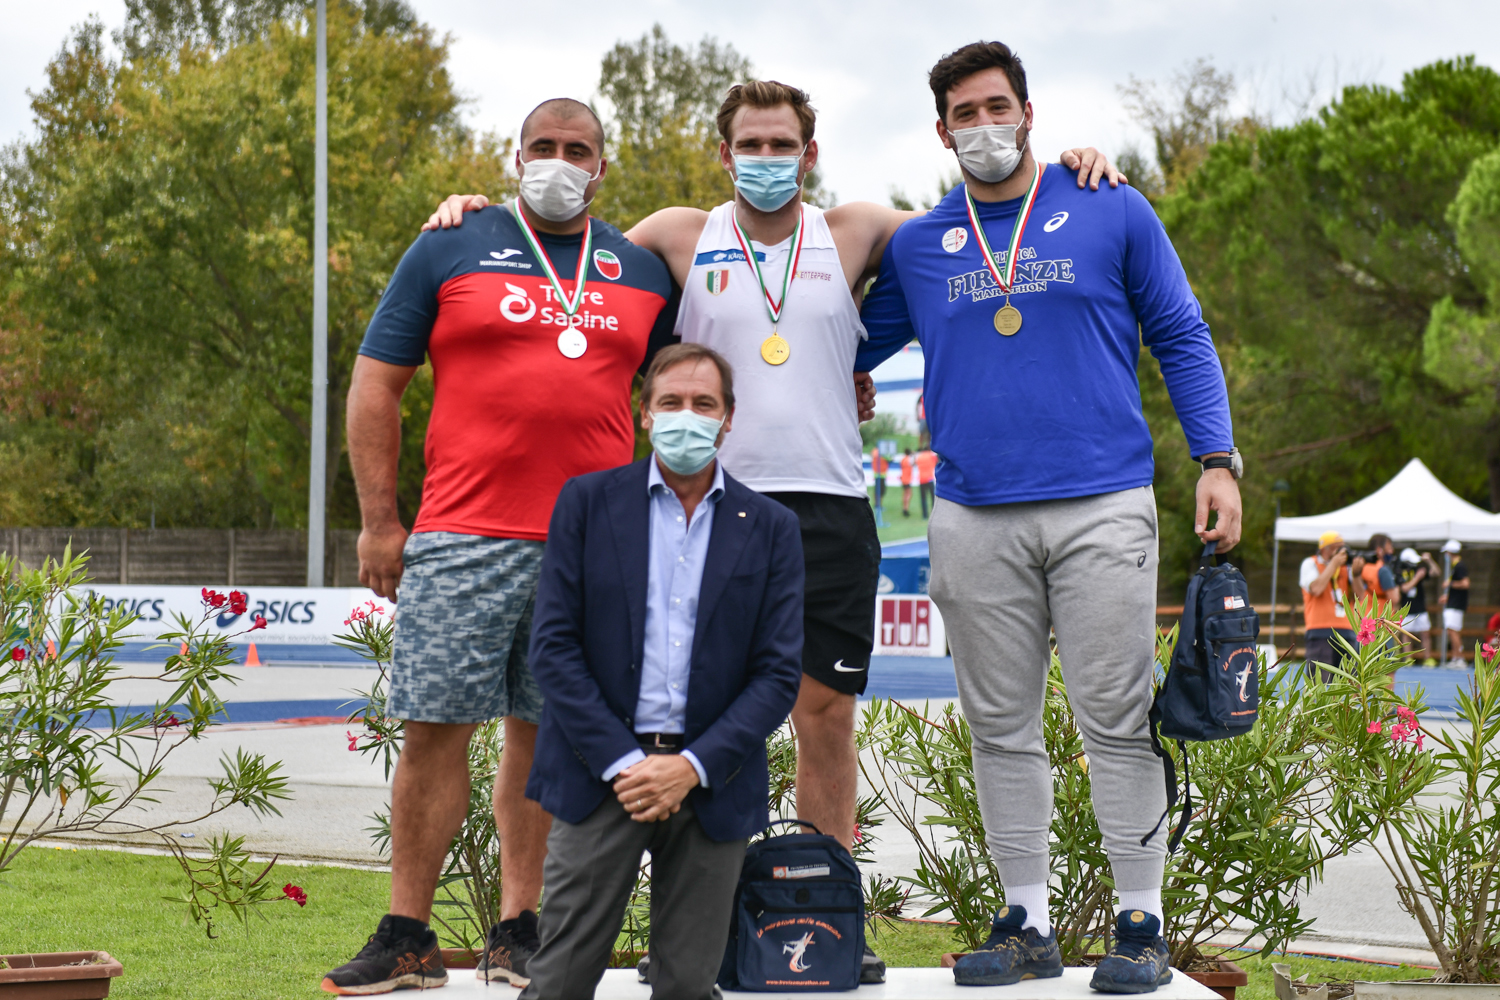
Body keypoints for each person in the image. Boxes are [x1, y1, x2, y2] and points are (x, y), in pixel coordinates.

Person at [422, 82, 1124, 982]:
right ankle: (700, 931)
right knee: (701, 715)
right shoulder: (679, 233)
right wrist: (475, 212)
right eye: (749, 144)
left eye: (781, 143)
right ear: (724, 155)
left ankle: (830, 924)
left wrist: (1067, 172)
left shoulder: (857, 230)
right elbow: (566, 254)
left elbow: (987, 216)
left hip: (829, 506)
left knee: (825, 720)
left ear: (809, 151)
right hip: (717, 507)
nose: (766, 158)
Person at [854, 41, 1241, 994]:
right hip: (974, 513)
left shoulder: (1110, 203)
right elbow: (835, 340)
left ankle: (1141, 926)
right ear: (941, 130)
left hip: (1103, 504)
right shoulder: (921, 244)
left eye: (999, 107)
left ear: (1028, 113)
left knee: (1118, 719)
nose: (984, 126)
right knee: (999, 726)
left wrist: (1217, 459)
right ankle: (1025, 923)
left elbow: (1181, 331)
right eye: (965, 114)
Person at [323, 99, 678, 995]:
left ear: (603, 166)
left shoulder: (641, 271)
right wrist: (379, 521)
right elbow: (374, 385)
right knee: (433, 731)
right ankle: (407, 935)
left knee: (548, 737)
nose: (560, 161)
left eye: (578, 150)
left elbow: (688, 389)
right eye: (543, 147)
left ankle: (520, 930)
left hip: (594, 546)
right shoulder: (451, 243)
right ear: (516, 158)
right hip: (461, 534)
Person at [520, 343, 804, 1000]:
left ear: (728, 418)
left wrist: (691, 767)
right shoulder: (587, 504)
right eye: (671, 402)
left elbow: (776, 676)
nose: (687, 416)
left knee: (687, 987)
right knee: (558, 983)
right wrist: (626, 764)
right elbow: (553, 649)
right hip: (601, 777)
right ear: (644, 413)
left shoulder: (771, 527)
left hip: (712, 785)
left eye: (704, 404)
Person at [1300, 532, 1360, 680]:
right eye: (1337, 547)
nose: (1342, 551)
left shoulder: (1346, 568)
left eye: (1343, 547)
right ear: (1324, 549)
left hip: (1346, 630)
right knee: (1317, 680)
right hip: (1320, 630)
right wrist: (1333, 564)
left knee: (1348, 682)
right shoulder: (1311, 563)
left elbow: (1360, 597)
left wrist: (1357, 574)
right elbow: (1316, 589)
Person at [1396, 547, 1441, 665]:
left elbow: (1436, 572)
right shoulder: (1399, 572)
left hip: (1421, 608)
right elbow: (1404, 588)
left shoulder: (1417, 569)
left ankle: (1428, 658)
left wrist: (1429, 561)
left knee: (1425, 633)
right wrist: (1417, 578)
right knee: (1406, 635)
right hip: (1407, 609)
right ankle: (1408, 658)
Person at [1438, 539, 1470, 666]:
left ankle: (1460, 658)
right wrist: (1448, 596)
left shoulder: (1459, 566)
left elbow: (1465, 583)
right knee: (1451, 630)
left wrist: (1450, 584)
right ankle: (1456, 657)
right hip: (1454, 603)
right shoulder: (1456, 566)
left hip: (1456, 605)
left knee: (1453, 631)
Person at [1353, 533, 1399, 619]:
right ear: (1379, 550)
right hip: (1381, 619)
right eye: (1389, 548)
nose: (1392, 551)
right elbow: (1394, 598)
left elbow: (1358, 595)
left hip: (1364, 618)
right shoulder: (1383, 570)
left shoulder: (1362, 567)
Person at [916, 445, 938, 519]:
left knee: (923, 498)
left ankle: (924, 515)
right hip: (929, 478)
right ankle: (934, 512)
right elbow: (936, 461)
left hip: (921, 479)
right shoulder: (931, 456)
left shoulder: (919, 457)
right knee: (933, 497)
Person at [871, 445, 890, 526]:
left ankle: (878, 505)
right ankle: (878, 505)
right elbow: (889, 458)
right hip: (880, 474)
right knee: (879, 491)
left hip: (879, 474)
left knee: (879, 491)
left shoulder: (875, 451)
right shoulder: (879, 452)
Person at [899, 447, 915, 517]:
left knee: (905, 493)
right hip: (907, 479)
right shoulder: (909, 459)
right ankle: (906, 509)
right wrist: (913, 455)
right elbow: (914, 463)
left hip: (903, 477)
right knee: (909, 494)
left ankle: (904, 508)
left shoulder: (903, 459)